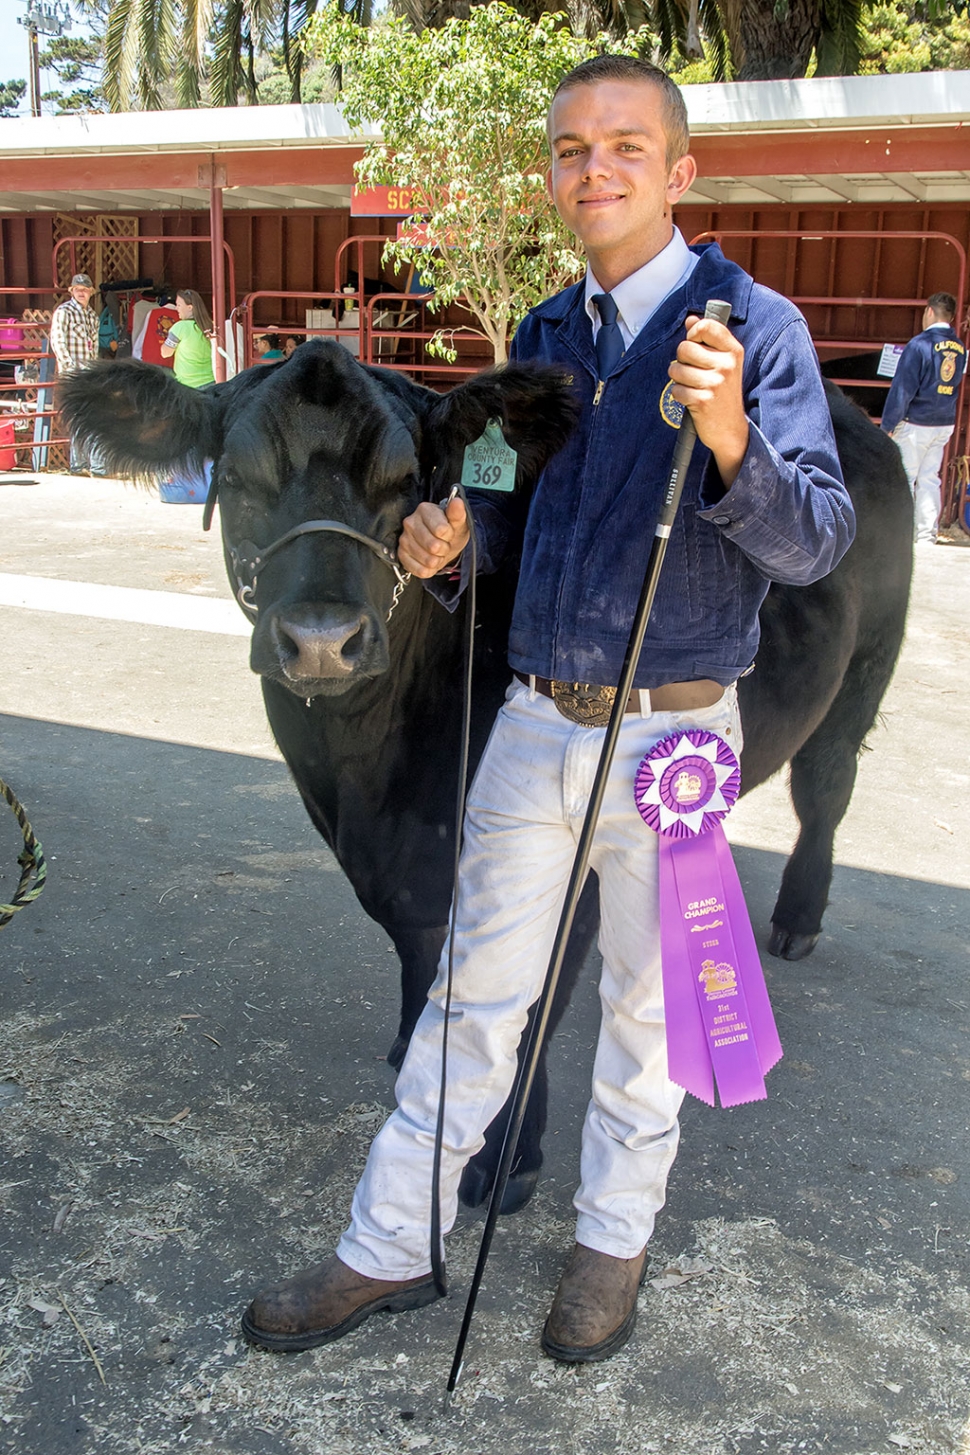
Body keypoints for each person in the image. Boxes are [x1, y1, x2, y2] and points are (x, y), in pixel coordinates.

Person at [241, 56, 855, 1365]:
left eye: (625, 144)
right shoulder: (541, 336)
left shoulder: (753, 328)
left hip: (673, 736)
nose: (597, 167)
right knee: (469, 1001)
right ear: (553, 174)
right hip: (534, 726)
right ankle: (388, 1244)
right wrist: (459, 537)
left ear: (678, 171)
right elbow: (526, 520)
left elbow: (813, 543)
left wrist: (734, 438)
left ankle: (607, 1247)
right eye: (572, 147)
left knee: (646, 1022)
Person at [881, 291, 967, 544]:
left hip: (915, 422)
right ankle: (926, 535)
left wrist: (888, 424)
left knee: (905, 476)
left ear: (929, 311)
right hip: (943, 421)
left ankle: (901, 535)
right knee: (930, 478)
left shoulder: (919, 345)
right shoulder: (959, 348)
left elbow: (903, 388)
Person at [50, 272, 102, 475]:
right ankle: (82, 464)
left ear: (91, 292)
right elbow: (57, 341)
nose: (82, 293)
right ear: (72, 291)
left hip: (88, 373)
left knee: (88, 417)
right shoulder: (64, 312)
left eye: (85, 289)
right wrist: (69, 367)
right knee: (80, 417)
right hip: (73, 373)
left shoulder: (92, 316)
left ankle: (85, 465)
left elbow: (94, 346)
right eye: (78, 289)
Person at [160, 290, 216, 388]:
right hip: (212, 382)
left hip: (188, 386)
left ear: (190, 308)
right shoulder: (211, 325)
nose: (176, 308)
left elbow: (165, 353)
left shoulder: (180, 327)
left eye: (179, 305)